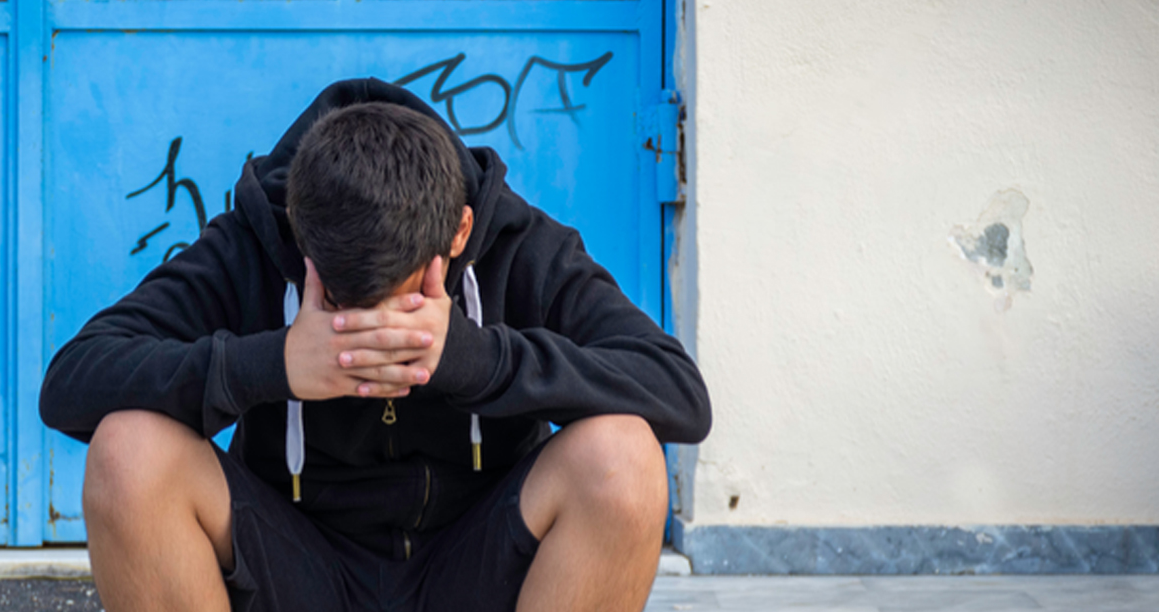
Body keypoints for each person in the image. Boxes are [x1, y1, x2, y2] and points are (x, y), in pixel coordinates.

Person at [39, 78, 711, 612]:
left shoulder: (522, 245)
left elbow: (680, 395)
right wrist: (273, 364)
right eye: (343, 303)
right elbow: (71, 382)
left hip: (474, 568)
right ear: (302, 242)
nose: (378, 330)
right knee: (128, 452)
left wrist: (477, 361)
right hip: (300, 570)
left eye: (407, 294)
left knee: (623, 459)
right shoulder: (253, 239)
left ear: (459, 233)